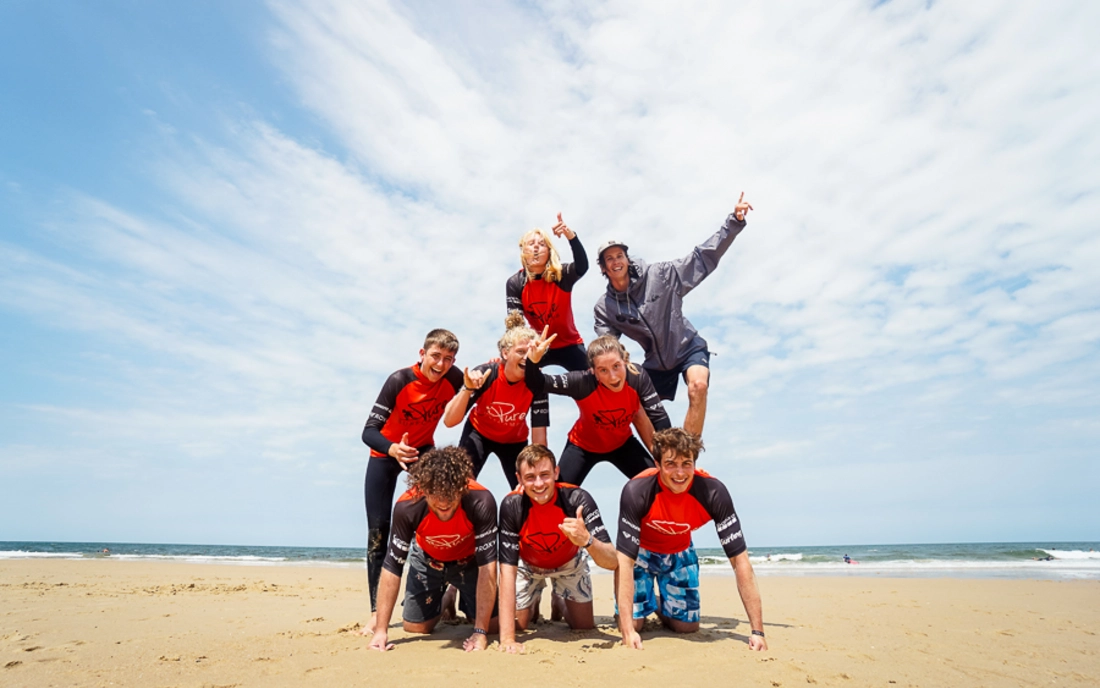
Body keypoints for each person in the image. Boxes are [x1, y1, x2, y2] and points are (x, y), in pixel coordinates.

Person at [593, 193, 755, 436]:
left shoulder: (661, 276)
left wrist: (734, 221)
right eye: (609, 258)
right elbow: (607, 348)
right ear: (604, 268)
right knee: (634, 407)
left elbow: (701, 258)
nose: (616, 261)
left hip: (687, 347)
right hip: (657, 364)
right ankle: (662, 461)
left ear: (626, 259)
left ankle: (688, 456)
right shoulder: (606, 307)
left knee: (697, 387)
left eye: (619, 256)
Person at [615, 428, 767, 651]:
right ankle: (633, 610)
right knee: (634, 624)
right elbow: (625, 561)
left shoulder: (713, 492)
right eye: (671, 464)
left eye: (686, 463)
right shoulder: (636, 491)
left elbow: (740, 561)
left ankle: (657, 602)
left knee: (686, 628)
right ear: (657, 464)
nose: (680, 473)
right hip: (641, 552)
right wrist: (628, 631)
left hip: (680, 551)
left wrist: (758, 632)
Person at [360, 329, 464, 626]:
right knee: (379, 531)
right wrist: (393, 448)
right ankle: (374, 612)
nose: (441, 364)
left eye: (448, 359)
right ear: (422, 354)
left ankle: (440, 594)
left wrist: (498, 361)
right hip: (385, 456)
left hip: (422, 456)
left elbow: (479, 380)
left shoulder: (453, 378)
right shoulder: (399, 381)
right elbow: (368, 432)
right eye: (435, 356)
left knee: (438, 519)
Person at [369, 446, 499, 652]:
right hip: (428, 559)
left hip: (468, 560)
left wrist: (480, 632)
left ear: (462, 486)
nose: (443, 501)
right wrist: (381, 631)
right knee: (415, 628)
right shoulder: (407, 506)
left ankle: (460, 594)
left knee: (492, 627)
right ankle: (447, 598)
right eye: (435, 493)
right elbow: (392, 567)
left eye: (450, 492)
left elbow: (488, 567)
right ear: (422, 488)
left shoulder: (481, 500)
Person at [497, 444, 618, 654]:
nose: (538, 484)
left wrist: (587, 540)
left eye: (545, 475)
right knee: (521, 625)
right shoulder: (512, 505)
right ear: (518, 478)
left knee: (583, 627)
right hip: (529, 565)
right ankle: (532, 603)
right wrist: (507, 638)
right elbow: (507, 571)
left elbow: (612, 561)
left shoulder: (577, 499)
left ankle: (559, 600)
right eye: (530, 477)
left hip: (569, 563)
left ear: (556, 473)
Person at [525, 328, 672, 486]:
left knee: (659, 484)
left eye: (616, 366)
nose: (613, 376)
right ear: (593, 372)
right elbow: (537, 383)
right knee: (560, 494)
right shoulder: (582, 383)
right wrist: (532, 361)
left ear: (625, 362)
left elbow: (659, 419)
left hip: (623, 444)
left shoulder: (637, 376)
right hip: (582, 446)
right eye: (603, 370)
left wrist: (669, 459)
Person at [441, 313, 549, 489]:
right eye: (520, 352)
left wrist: (538, 476)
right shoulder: (487, 374)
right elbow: (449, 421)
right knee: (457, 485)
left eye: (530, 353)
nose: (525, 358)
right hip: (479, 433)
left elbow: (539, 439)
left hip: (514, 441)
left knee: (529, 489)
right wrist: (467, 389)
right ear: (505, 353)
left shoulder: (537, 383)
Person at [507, 214, 590, 371]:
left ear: (549, 252)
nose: (536, 247)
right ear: (523, 251)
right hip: (537, 344)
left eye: (542, 244)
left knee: (591, 380)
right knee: (519, 373)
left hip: (569, 343)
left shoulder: (560, 275)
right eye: (531, 244)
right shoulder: (516, 282)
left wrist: (570, 236)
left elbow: (582, 266)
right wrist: (521, 349)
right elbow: (515, 324)